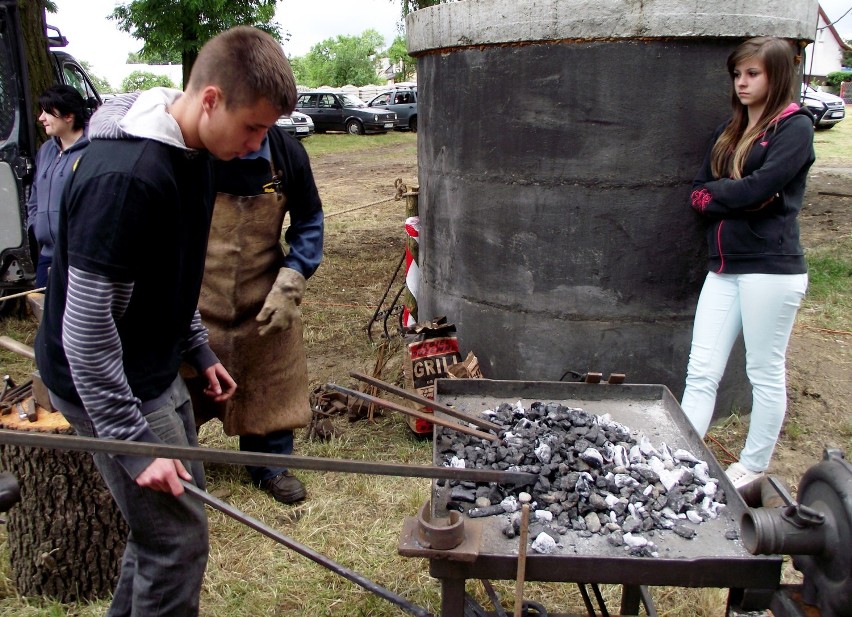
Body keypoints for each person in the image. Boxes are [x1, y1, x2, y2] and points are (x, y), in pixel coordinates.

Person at [34, 26, 296, 616]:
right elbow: (85, 331)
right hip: (102, 377)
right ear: (209, 100)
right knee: (177, 543)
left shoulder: (196, 152)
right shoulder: (126, 179)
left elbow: (171, 272)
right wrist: (132, 444)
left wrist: (197, 348)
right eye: (253, 127)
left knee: (160, 535)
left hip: (152, 364)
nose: (258, 145)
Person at [681, 36, 814, 490]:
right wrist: (731, 196)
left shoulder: (795, 129)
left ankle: (753, 467)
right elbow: (699, 193)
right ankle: (684, 453)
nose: (742, 82)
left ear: (776, 76)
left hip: (770, 270)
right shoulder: (729, 130)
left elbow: (761, 189)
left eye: (752, 73)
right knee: (701, 370)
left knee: (763, 370)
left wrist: (725, 195)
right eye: (737, 74)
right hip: (724, 268)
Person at [188, 122, 323, 504]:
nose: (251, 141)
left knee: (271, 377)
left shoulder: (286, 153)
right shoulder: (193, 151)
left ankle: (270, 465)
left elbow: (309, 217)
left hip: (264, 295)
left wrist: (294, 275)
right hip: (198, 293)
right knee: (183, 382)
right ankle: (181, 462)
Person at [27, 85, 90, 287]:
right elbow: (35, 196)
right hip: (47, 255)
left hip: (80, 259)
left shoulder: (94, 151)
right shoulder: (46, 150)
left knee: (78, 318)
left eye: (47, 112)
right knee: (46, 315)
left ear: (68, 116)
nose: (41, 118)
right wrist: (35, 225)